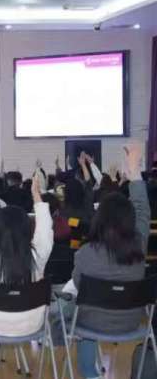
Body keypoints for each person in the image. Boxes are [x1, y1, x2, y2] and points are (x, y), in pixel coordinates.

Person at [69, 145, 150, 379]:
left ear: (100, 219)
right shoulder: (139, 245)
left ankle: (90, 373)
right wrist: (135, 174)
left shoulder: (85, 253)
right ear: (129, 219)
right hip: (131, 321)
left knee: (75, 307)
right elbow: (143, 210)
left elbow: (78, 286)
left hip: (91, 322)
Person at [0, 173, 53, 379]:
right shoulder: (38, 256)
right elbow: (45, 231)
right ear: (27, 229)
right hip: (30, 324)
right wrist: (37, 197)